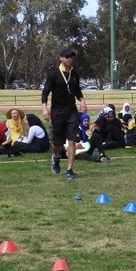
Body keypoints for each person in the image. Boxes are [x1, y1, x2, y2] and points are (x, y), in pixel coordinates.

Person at [41, 47, 88, 179]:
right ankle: (55, 157)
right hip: (57, 111)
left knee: (72, 140)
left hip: (71, 111)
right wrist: (45, 108)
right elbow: (45, 92)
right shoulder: (54, 74)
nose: (70, 59)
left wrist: (82, 100)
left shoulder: (75, 74)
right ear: (61, 58)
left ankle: (69, 170)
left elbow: (77, 91)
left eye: (72, 57)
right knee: (57, 144)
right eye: (67, 57)